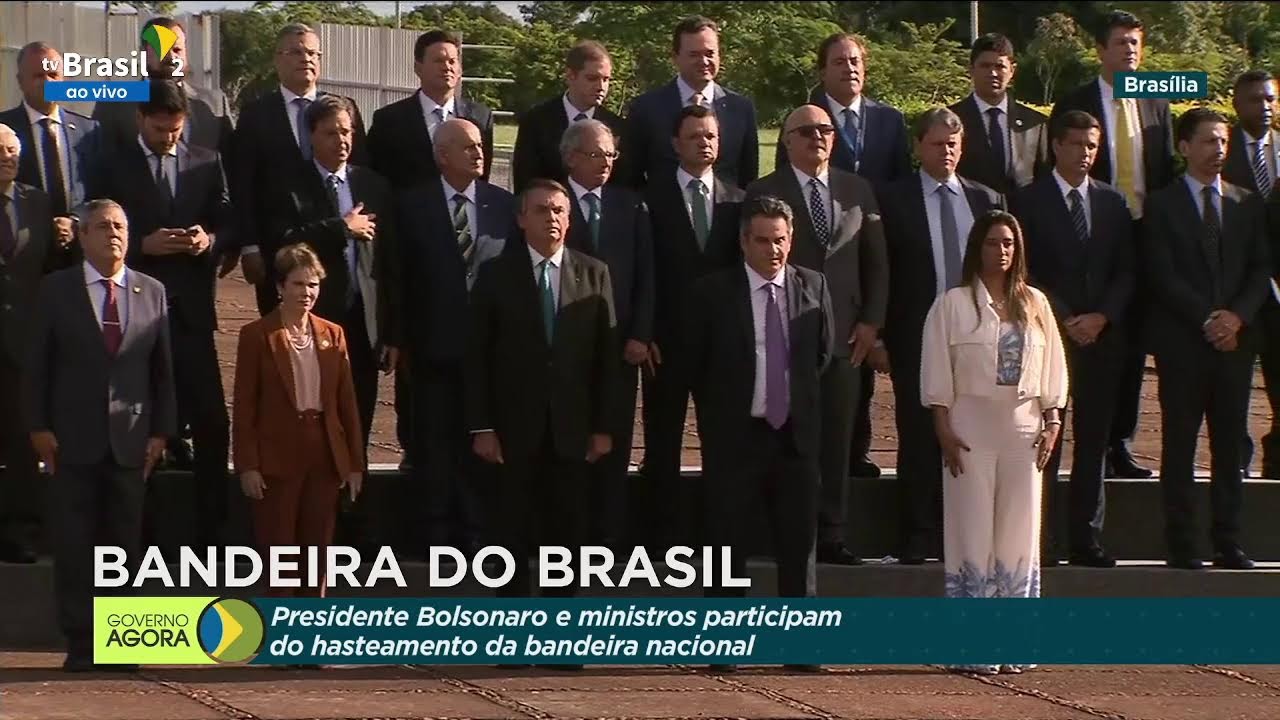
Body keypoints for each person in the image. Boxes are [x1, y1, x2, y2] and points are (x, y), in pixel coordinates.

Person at [24, 199, 177, 672]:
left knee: (123, 546)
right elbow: (38, 366)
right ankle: (81, 641)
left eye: (121, 226)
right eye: (103, 226)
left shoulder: (151, 290)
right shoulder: (57, 290)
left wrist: (162, 432)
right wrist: (38, 426)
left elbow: (162, 371)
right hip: (71, 439)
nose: (114, 234)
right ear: (83, 235)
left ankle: (121, 640)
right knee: (75, 544)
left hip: (131, 442)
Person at [686, 195, 833, 674]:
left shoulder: (813, 286)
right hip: (736, 436)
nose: (774, 250)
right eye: (764, 240)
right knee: (725, 541)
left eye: (781, 240)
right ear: (743, 241)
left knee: (798, 545)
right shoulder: (711, 294)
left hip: (794, 436)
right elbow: (697, 366)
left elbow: (822, 357)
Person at [88, 79, 233, 553]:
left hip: (190, 316)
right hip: (133, 318)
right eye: (158, 129)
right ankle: (135, 544)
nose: (167, 138)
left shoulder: (206, 162)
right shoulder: (112, 165)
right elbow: (94, 234)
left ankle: (212, 536)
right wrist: (140, 246)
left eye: (175, 129)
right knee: (137, 431)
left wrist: (206, 241)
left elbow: (227, 221)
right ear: (139, 121)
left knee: (212, 424)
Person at [920, 210, 1068, 675]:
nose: (1000, 251)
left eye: (1008, 243)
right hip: (969, 432)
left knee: (1018, 533)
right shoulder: (952, 305)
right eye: (991, 243)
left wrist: (1053, 420)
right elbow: (936, 374)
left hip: (1023, 432)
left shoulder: (1036, 304)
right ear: (976, 248)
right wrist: (943, 428)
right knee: (971, 531)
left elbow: (1054, 373)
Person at [747, 104, 888, 566]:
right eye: (806, 131)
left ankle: (832, 532)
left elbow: (876, 263)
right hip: (784, 334)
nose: (818, 138)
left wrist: (871, 321)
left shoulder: (857, 189)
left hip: (846, 339)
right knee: (786, 437)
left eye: (825, 130)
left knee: (836, 438)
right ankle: (782, 531)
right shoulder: (763, 192)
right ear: (786, 140)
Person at [465, 178, 617, 603]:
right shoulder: (496, 275)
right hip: (513, 429)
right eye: (540, 210)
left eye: (558, 211)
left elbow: (607, 361)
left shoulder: (594, 273)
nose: (551, 218)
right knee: (509, 532)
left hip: (572, 429)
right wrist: (482, 426)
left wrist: (604, 428)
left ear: (569, 219)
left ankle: (559, 635)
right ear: (520, 218)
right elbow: (477, 357)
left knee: (566, 537)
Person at [779, 32, 912, 482]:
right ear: (823, 71)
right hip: (809, 268)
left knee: (859, 369)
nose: (849, 68)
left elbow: (895, 193)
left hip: (864, 252)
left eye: (855, 61)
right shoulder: (803, 120)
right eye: (839, 62)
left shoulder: (890, 122)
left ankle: (857, 453)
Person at [1050, 10, 1175, 479]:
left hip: (1143, 232)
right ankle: (1074, 444)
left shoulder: (1157, 100)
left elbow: (1161, 168)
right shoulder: (1076, 101)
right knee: (1085, 344)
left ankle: (1119, 443)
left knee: (1131, 341)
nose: (1130, 51)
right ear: (1100, 50)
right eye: (1121, 43)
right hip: (1093, 230)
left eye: (1136, 44)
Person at [1146, 108, 1270, 570]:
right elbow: (1160, 272)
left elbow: (1261, 267)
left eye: (1222, 142)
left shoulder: (1246, 202)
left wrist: (1235, 318)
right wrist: (1208, 317)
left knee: (1229, 444)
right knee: (1179, 444)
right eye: (1207, 141)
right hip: (1183, 343)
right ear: (1183, 147)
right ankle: (1182, 542)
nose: (1217, 150)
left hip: (1235, 345)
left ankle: (1228, 540)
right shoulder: (1161, 205)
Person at [878, 108, 1004, 564]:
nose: (946, 151)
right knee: (918, 433)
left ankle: (968, 535)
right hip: (917, 333)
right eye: (936, 144)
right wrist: (879, 334)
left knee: (973, 434)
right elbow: (882, 270)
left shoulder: (986, 200)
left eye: (953, 144)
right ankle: (918, 534)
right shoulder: (892, 200)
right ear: (917, 147)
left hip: (977, 337)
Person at [1015, 110, 1134, 567]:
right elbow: (1027, 271)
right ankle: (1041, 538)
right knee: (1048, 437)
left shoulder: (1112, 203)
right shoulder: (1028, 201)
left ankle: (1086, 537)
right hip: (1050, 336)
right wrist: (1065, 318)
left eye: (1092, 146)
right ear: (1057, 147)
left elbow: (1127, 269)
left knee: (1094, 441)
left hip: (1102, 339)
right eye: (1077, 145)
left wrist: (1102, 316)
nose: (1085, 154)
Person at [396, 118, 514, 552]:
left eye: (480, 145)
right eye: (467, 147)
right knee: (435, 447)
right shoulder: (412, 205)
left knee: (482, 448)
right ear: (441, 155)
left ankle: (480, 539)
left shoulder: (503, 205)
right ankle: (437, 541)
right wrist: (399, 337)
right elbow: (398, 277)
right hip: (431, 349)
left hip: (489, 352)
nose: (479, 153)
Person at [232, 244, 364, 597]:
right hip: (276, 457)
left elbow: (346, 402)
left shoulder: (332, 333)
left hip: (323, 452)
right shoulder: (257, 335)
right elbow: (244, 405)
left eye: (313, 285)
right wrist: (247, 465)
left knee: (318, 553)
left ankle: (311, 638)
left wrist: (354, 464)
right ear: (280, 286)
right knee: (279, 553)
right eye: (297, 284)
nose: (306, 293)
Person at [640, 104, 745, 549]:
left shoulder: (738, 201)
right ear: (675, 144)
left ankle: (718, 538)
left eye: (711, 136)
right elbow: (645, 271)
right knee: (661, 444)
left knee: (721, 446)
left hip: (720, 347)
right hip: (665, 342)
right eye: (695, 136)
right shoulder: (650, 198)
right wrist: (644, 332)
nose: (704, 142)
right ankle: (660, 539)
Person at [230, 22, 370, 316]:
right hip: (280, 245)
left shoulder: (345, 108)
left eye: (312, 53)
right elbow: (243, 184)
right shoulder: (256, 114)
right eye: (296, 52)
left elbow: (361, 173)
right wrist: (249, 245)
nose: (306, 59)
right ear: (277, 58)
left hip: (340, 248)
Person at [561, 119, 655, 550]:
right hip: (565, 349)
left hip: (619, 348)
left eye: (611, 155)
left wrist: (641, 333)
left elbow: (647, 277)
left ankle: (609, 538)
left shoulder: (630, 205)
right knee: (568, 443)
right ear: (572, 157)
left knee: (614, 441)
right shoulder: (552, 203)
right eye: (597, 154)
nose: (606, 163)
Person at [0, 123, 56, 564]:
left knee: (22, 438)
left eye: (13, 150)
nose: (8, 157)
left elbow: (49, 270)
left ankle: (21, 531)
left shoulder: (37, 202)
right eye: (0, 150)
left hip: (23, 339)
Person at [622, 15, 759, 189]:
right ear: (675, 57)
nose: (704, 61)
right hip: (663, 213)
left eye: (710, 53)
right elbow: (631, 176)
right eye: (694, 54)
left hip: (726, 213)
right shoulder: (645, 108)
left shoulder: (741, 108)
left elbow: (748, 177)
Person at [0, 41, 100, 270]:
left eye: (53, 74)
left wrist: (75, 221)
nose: (48, 82)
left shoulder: (89, 130)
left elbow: (98, 188)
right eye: (38, 75)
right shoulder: (3, 129)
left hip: (78, 256)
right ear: (20, 81)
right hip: (21, 260)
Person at [1225, 70, 1280, 477]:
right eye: (1254, 100)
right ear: (1235, 103)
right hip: (1237, 288)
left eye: (1270, 100)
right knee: (1235, 387)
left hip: (1278, 290)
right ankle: (1236, 465)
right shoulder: (1220, 151)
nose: (1263, 108)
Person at [91, 16, 234, 160]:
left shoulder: (214, 103)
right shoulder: (113, 103)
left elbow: (231, 162)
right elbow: (99, 163)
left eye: (177, 50)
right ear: (143, 53)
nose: (171, 57)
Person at [369, 30, 496, 187]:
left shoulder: (481, 117)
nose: (447, 67)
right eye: (438, 61)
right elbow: (377, 179)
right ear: (418, 68)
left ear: (460, 69)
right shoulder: (389, 120)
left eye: (452, 61)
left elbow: (482, 177)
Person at [512, 40, 625, 194]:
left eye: (606, 79)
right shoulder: (536, 121)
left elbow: (622, 186)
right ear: (570, 76)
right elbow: (524, 181)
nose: (601, 87)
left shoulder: (617, 126)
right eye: (592, 78)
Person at [950, 33, 1050, 195]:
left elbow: (1043, 179)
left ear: (1012, 70)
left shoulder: (1035, 123)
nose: (993, 73)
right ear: (971, 70)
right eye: (985, 66)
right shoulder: (951, 119)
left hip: (1022, 216)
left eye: (999, 66)